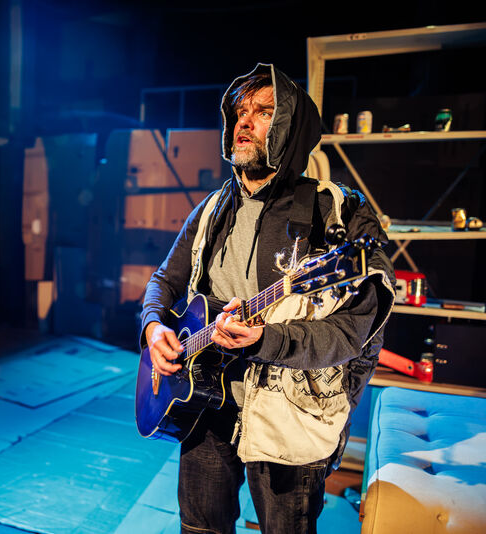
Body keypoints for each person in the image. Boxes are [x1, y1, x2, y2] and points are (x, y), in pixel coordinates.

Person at [140, 64, 395, 534]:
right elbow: (163, 280)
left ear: (289, 126)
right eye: (240, 111)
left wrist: (265, 340)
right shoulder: (212, 209)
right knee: (200, 529)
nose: (244, 121)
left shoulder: (338, 212)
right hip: (206, 406)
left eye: (262, 112)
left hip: (291, 419)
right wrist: (154, 327)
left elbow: (354, 331)